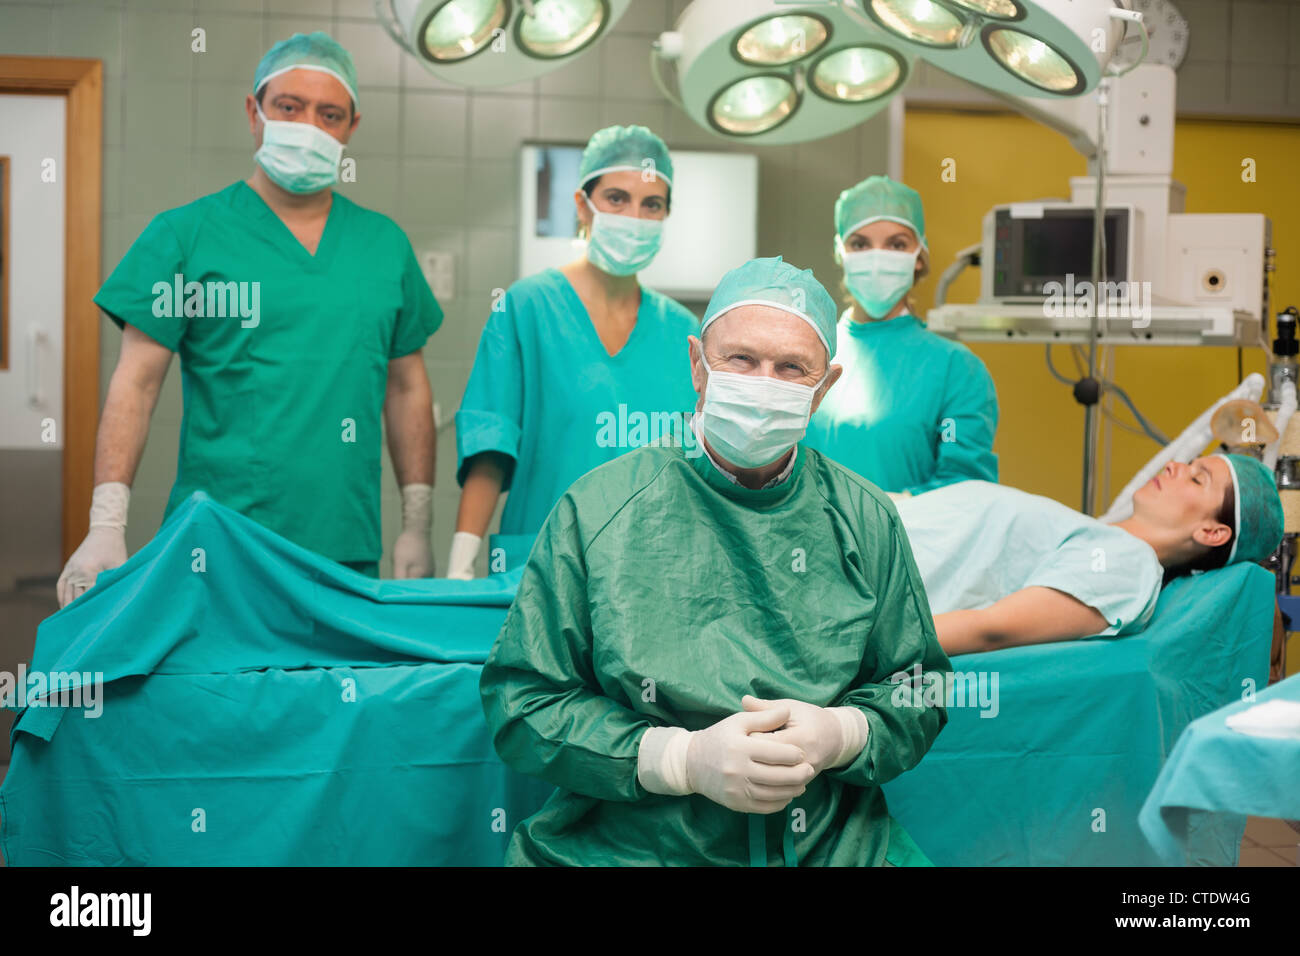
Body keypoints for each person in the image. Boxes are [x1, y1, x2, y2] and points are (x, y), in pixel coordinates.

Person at [479, 257, 950, 866]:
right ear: (698, 364)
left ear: (823, 387)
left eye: (790, 369)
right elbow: (523, 702)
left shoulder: (864, 517)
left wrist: (841, 734)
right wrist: (676, 760)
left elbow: (919, 687)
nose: (763, 383)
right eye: (741, 360)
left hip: (833, 847)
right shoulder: (601, 510)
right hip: (631, 846)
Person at [56, 32, 443, 607]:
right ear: (254, 111)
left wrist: (417, 522)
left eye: (328, 114)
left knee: (329, 696)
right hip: (216, 543)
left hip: (345, 548)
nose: (308, 126)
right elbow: (136, 382)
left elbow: (408, 386)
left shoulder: (384, 246)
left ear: (350, 128)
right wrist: (106, 523)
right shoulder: (184, 236)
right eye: (289, 107)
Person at [448, 125, 699, 578]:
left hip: (652, 574)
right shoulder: (527, 308)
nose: (634, 217)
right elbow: (491, 444)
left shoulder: (684, 332)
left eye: (652, 205)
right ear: (583, 205)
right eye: (617, 199)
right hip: (541, 568)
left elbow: (700, 470)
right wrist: (459, 567)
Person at [895, 454, 1284, 655]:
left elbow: (993, 628)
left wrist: (865, 643)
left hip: (867, 572)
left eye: (1197, 478)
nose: (1174, 466)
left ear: (1212, 532)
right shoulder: (1103, 538)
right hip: (873, 530)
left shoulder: (1129, 565)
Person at [803, 175, 998, 497]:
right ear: (841, 252)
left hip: (909, 541)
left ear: (919, 255)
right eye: (860, 244)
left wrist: (891, 513)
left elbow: (966, 492)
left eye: (896, 244)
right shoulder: (805, 354)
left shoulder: (956, 369)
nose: (877, 257)